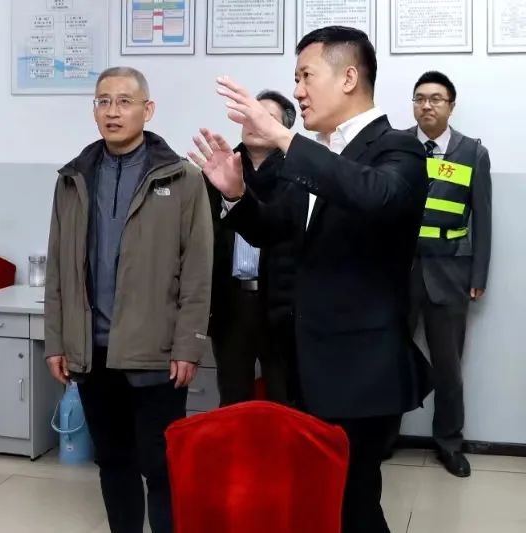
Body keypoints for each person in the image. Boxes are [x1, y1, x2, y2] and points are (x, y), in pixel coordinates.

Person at [190, 26, 431, 533]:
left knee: (353, 505)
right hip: (306, 364)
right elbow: (276, 230)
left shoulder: (398, 149)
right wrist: (236, 196)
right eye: (295, 78)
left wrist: (283, 136)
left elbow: (375, 196)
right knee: (318, 502)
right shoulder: (317, 153)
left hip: (360, 372)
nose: (297, 90)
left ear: (348, 78)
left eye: (305, 76)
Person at [44, 66, 213, 533]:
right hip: (92, 352)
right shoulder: (73, 179)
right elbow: (58, 267)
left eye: (124, 101)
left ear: (147, 109)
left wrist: (188, 346)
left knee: (160, 467)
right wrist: (57, 341)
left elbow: (198, 271)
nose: (112, 111)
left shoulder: (183, 179)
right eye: (103, 101)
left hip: (156, 353)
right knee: (113, 462)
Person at [407, 71, 492, 478]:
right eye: (420, 98)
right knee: (387, 357)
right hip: (400, 271)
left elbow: (483, 218)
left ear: (451, 106)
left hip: (451, 272)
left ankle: (449, 443)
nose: (427, 105)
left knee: (449, 367)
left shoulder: (472, 152)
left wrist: (479, 274)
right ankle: (382, 436)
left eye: (436, 98)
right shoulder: (398, 146)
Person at [207, 89, 304, 406]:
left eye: (265, 117)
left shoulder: (299, 174)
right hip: (231, 301)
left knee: (283, 396)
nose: (254, 122)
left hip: (279, 301)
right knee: (233, 396)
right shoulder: (220, 169)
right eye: (249, 116)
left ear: (283, 129)